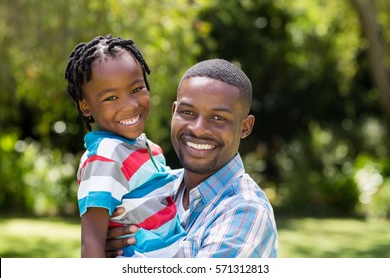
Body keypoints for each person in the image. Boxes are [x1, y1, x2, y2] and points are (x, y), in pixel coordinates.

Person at [105, 58, 278, 258]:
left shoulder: (246, 212)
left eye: (218, 118)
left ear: (245, 127)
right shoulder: (156, 186)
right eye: (187, 112)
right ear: (174, 112)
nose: (198, 128)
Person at [64, 35, 186, 258]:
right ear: (85, 106)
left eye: (136, 89)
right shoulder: (105, 157)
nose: (130, 105)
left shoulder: (148, 149)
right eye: (111, 98)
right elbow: (91, 240)